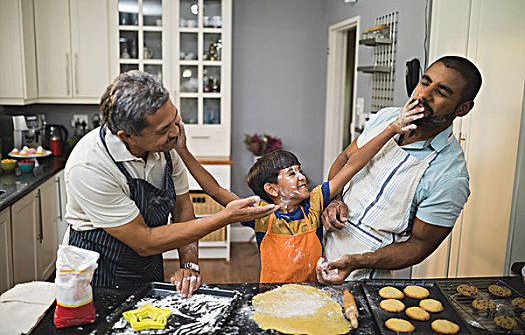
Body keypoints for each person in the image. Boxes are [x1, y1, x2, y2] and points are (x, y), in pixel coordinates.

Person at [64, 71, 278, 296]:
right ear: (127, 136)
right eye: (163, 130)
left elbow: (182, 208)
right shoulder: (90, 166)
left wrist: (189, 265)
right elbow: (144, 241)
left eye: (175, 119)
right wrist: (225, 217)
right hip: (97, 275)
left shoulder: (166, 149)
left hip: (148, 265)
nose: (176, 133)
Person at [174, 100, 422, 283]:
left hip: (312, 294)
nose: (302, 176)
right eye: (291, 174)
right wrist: (183, 151)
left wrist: (392, 129)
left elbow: (354, 164)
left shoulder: (315, 203)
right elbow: (214, 189)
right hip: (272, 298)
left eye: (299, 170)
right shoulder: (260, 215)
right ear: (272, 189)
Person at [317, 56, 482, 282]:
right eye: (425, 82)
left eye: (441, 92)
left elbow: (418, 246)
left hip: (363, 277)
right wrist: (335, 199)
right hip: (320, 243)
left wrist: (357, 261)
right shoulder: (386, 118)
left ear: (463, 108)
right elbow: (346, 158)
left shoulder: (450, 176)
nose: (424, 95)